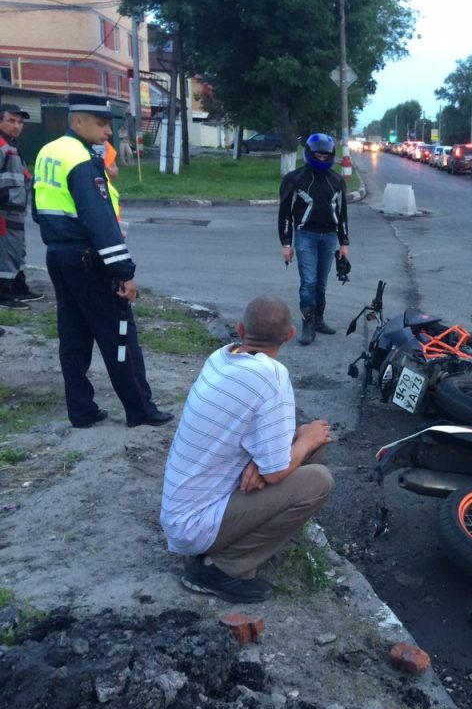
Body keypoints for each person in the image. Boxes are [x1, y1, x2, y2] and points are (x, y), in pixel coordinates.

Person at [160, 294, 335, 603]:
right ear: (290, 335)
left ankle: (242, 543)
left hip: (181, 513)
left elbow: (249, 434)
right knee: (318, 475)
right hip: (194, 526)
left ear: (240, 330)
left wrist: (268, 461)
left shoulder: (221, 357)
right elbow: (278, 471)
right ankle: (222, 569)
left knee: (300, 449)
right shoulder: (272, 376)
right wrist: (307, 438)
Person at [32, 93, 173, 429]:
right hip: (88, 260)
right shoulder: (81, 159)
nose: (108, 131)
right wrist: (124, 273)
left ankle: (81, 410)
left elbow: (38, 211)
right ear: (78, 120)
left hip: (59, 255)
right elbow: (101, 222)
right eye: (102, 123)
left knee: (73, 335)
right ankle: (141, 410)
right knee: (120, 334)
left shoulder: (47, 152)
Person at [278, 133, 349, 345]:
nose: (322, 158)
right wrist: (286, 243)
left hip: (329, 237)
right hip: (305, 235)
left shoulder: (337, 181)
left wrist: (344, 243)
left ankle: (319, 320)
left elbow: (343, 214)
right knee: (308, 281)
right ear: (309, 153)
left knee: (321, 282)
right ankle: (307, 326)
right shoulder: (294, 179)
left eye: (326, 155)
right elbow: (285, 214)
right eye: (318, 154)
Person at [0, 103, 42, 309]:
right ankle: (4, 295)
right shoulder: (2, 146)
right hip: (4, 211)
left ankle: (17, 287)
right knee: (6, 253)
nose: (17, 126)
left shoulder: (12, 145)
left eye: (20, 122)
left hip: (14, 210)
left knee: (16, 251)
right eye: (11, 121)